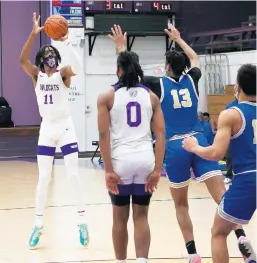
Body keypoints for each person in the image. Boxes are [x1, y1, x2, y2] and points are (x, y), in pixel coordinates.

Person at [108, 24, 255, 263]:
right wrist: (179, 39)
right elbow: (196, 58)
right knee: (223, 197)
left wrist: (121, 47)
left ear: (166, 67)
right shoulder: (193, 78)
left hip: (175, 146)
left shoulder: (158, 84)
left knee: (181, 205)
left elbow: (130, 75)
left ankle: (192, 253)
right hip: (198, 139)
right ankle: (240, 235)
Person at [19, 13, 89, 249]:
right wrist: (33, 34)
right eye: (46, 55)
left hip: (66, 126)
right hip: (47, 129)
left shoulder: (63, 74)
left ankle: (82, 221)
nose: (50, 56)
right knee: (44, 179)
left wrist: (68, 42)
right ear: (41, 60)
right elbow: (21, 60)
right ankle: (38, 225)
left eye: (53, 54)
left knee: (72, 175)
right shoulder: (36, 76)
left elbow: (78, 67)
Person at [182, 64, 256, 263]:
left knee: (218, 232)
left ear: (237, 87)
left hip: (248, 179)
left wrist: (194, 147)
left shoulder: (231, 114)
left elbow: (216, 153)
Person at [97, 51, 165, 263]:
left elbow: (103, 135)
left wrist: (108, 170)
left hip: (121, 162)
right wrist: (157, 170)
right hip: (145, 160)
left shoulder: (107, 96)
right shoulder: (151, 96)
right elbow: (161, 133)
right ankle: (142, 261)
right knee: (141, 216)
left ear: (118, 70)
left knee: (119, 218)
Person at [224, 98, 239, 184]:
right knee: (229, 156)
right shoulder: (230, 105)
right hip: (232, 135)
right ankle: (229, 175)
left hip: (246, 135)